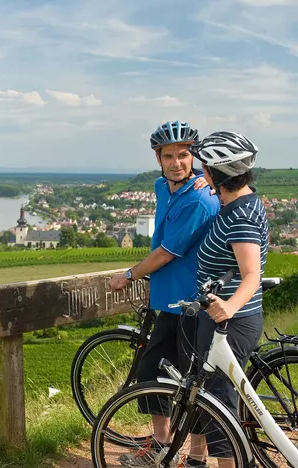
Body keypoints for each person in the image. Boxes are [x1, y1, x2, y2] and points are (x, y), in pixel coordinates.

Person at [109, 121, 220, 466]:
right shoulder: (162, 186)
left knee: (193, 384)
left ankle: (198, 458)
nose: (176, 163)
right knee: (151, 370)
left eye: (184, 155)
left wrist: (129, 274)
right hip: (169, 299)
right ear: (158, 159)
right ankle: (160, 444)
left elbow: (167, 252)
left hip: (194, 302)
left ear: (194, 157)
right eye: (169, 156)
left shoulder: (201, 198)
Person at [187, 131, 268, 468]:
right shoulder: (240, 201)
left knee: (218, 402)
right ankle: (197, 458)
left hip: (230, 322)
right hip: (226, 319)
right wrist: (211, 187)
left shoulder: (242, 217)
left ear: (218, 173)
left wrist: (228, 307)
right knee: (210, 394)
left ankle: (229, 463)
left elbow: (251, 274)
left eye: (204, 168)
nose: (200, 172)